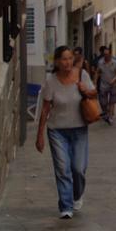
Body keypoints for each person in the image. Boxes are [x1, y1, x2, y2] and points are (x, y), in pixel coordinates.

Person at [35, 45, 96, 219]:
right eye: (64, 59)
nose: (67, 62)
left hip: (79, 129)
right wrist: (39, 136)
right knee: (62, 168)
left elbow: (94, 93)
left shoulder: (82, 75)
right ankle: (66, 205)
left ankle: (77, 195)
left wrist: (86, 90)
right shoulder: (51, 81)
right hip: (57, 131)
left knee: (78, 168)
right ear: (57, 62)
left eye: (70, 58)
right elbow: (45, 109)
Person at [96, 47, 116, 125]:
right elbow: (98, 72)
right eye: (105, 54)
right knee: (103, 102)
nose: (106, 56)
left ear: (110, 54)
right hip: (103, 85)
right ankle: (106, 113)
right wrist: (94, 82)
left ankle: (110, 117)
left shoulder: (115, 62)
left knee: (112, 102)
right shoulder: (100, 62)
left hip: (113, 85)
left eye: (107, 54)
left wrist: (114, 79)